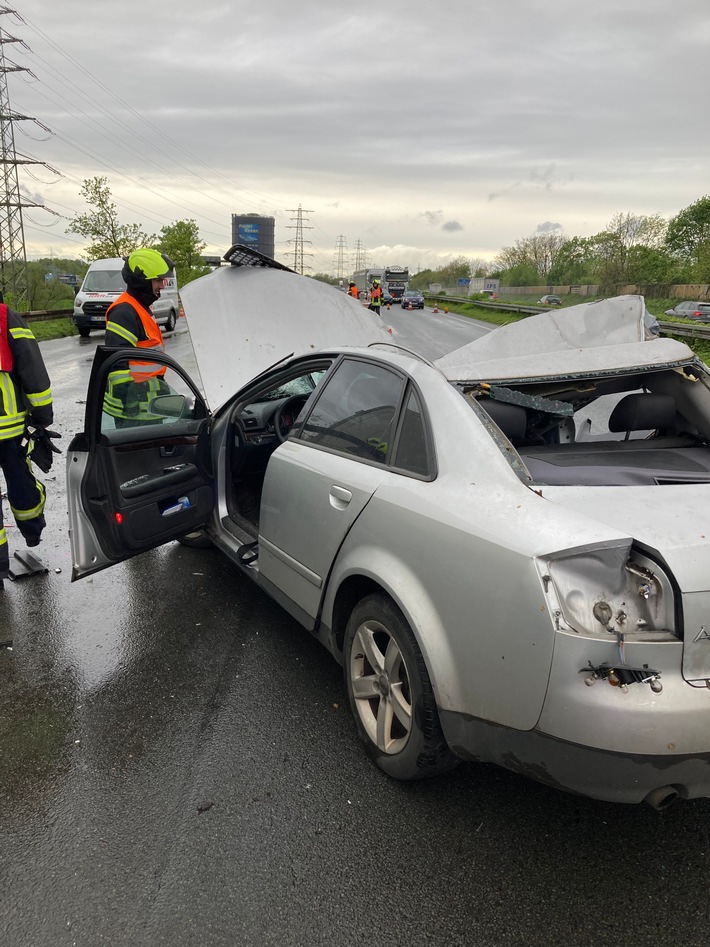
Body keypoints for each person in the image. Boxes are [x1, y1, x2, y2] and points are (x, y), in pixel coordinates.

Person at [0, 296, 55, 580]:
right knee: (22, 484)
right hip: (7, 427)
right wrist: (43, 418)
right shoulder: (4, 316)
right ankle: (33, 532)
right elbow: (31, 368)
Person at [103, 248, 175, 428]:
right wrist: (131, 405)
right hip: (135, 414)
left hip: (147, 408)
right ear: (142, 281)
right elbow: (117, 366)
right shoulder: (124, 312)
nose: (162, 285)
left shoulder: (139, 307)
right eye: (158, 280)